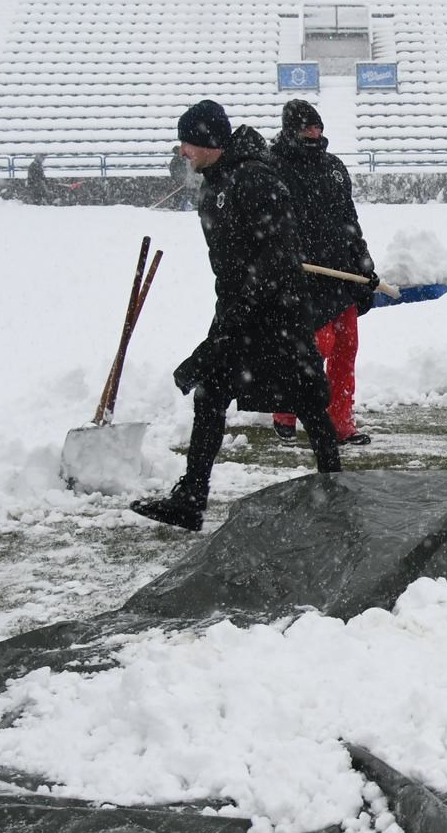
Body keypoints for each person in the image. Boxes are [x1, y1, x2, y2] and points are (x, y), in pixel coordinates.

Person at [131, 100, 339, 532]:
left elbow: (278, 253)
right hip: (239, 310)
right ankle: (191, 499)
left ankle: (336, 489)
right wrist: (233, 309)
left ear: (207, 141)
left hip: (276, 313)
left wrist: (247, 304)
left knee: (307, 399)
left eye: (187, 143)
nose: (182, 151)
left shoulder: (254, 178)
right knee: (210, 394)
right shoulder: (217, 181)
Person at [268, 99, 377, 447]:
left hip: (341, 275)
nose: (314, 133)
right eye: (306, 128)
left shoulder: (334, 168)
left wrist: (364, 263)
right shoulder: (274, 168)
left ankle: (340, 422)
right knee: (314, 347)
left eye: (317, 127)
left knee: (346, 347)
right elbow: (266, 225)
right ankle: (286, 411)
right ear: (290, 131)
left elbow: (349, 219)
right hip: (302, 276)